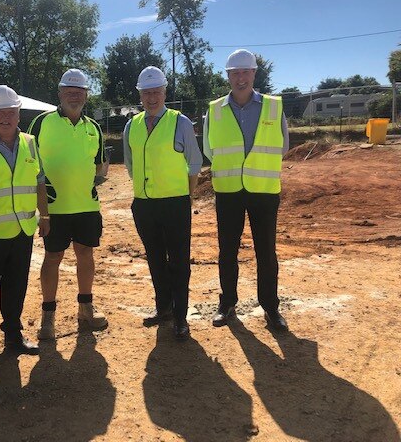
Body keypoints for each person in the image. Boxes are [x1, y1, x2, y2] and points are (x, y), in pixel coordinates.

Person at [204, 49, 290, 331]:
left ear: (254, 73)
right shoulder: (214, 109)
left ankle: (270, 307)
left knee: (266, 251)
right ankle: (227, 303)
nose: (240, 78)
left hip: (263, 190)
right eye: (235, 73)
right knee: (227, 250)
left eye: (246, 72)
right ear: (228, 76)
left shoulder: (274, 107)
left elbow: (284, 146)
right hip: (229, 190)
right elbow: (208, 149)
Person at [0, 85, 50, 372]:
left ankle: (13, 337)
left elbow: (39, 181)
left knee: (16, 288)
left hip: (22, 230)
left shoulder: (29, 142)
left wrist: (45, 215)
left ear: (19, 114)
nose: (5, 117)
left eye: (11, 112)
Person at [123, 66, 203, 341]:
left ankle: (181, 317)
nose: (151, 97)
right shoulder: (131, 125)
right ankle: (164, 308)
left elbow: (195, 163)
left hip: (175, 204)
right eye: (146, 92)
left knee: (178, 262)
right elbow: (131, 165)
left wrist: (186, 196)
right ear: (140, 95)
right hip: (144, 205)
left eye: (156, 91)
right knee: (156, 260)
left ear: (165, 92)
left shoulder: (179, 122)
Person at [27, 68, 108, 340]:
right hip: (54, 209)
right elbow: (27, 162)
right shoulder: (41, 123)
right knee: (53, 258)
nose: (74, 95)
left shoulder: (93, 127)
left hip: (86, 207)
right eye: (69, 91)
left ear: (86, 95)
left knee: (86, 255)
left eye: (79, 91)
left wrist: (91, 182)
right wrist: (41, 204)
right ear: (60, 93)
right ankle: (47, 317)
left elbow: (101, 165)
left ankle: (86, 308)